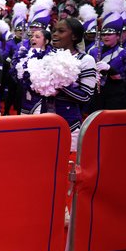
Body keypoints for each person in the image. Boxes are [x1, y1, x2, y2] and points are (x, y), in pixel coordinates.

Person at [51, 18, 96, 151]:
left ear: (74, 36)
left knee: (66, 167)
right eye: (54, 30)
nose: (54, 34)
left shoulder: (86, 60)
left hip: (70, 126)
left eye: (61, 31)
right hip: (45, 122)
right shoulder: (48, 57)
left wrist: (61, 85)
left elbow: (86, 97)